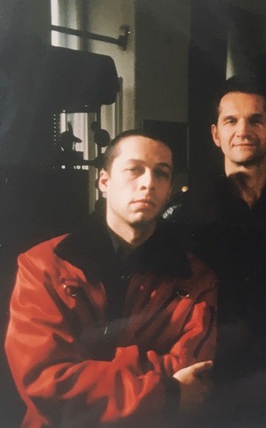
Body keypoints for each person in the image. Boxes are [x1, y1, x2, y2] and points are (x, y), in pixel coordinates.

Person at [5, 130, 218, 427]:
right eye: (134, 169)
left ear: (169, 189)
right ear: (104, 182)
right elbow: (46, 381)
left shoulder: (195, 278)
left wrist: (89, 366)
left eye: (161, 173)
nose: (148, 183)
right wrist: (167, 392)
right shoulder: (43, 265)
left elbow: (192, 370)